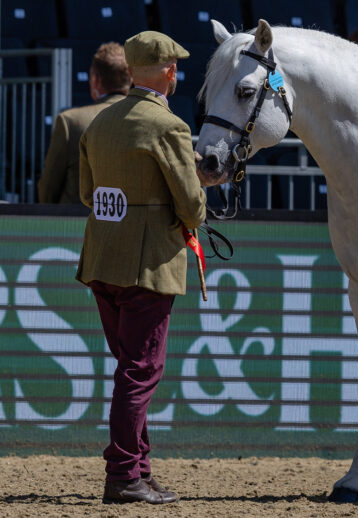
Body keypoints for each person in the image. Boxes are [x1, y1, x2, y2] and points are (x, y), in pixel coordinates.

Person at [77, 30, 206, 505]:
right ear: (170, 72)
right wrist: (197, 202)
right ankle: (124, 475)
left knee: (130, 367)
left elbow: (89, 195)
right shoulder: (169, 126)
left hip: (101, 261)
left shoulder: (100, 122)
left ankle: (139, 469)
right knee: (140, 370)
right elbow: (191, 203)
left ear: (130, 71)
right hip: (147, 265)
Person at [38, 43, 131, 204]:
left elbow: (48, 190)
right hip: (128, 226)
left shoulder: (70, 122)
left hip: (74, 226)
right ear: (130, 78)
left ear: (95, 79)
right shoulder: (148, 120)